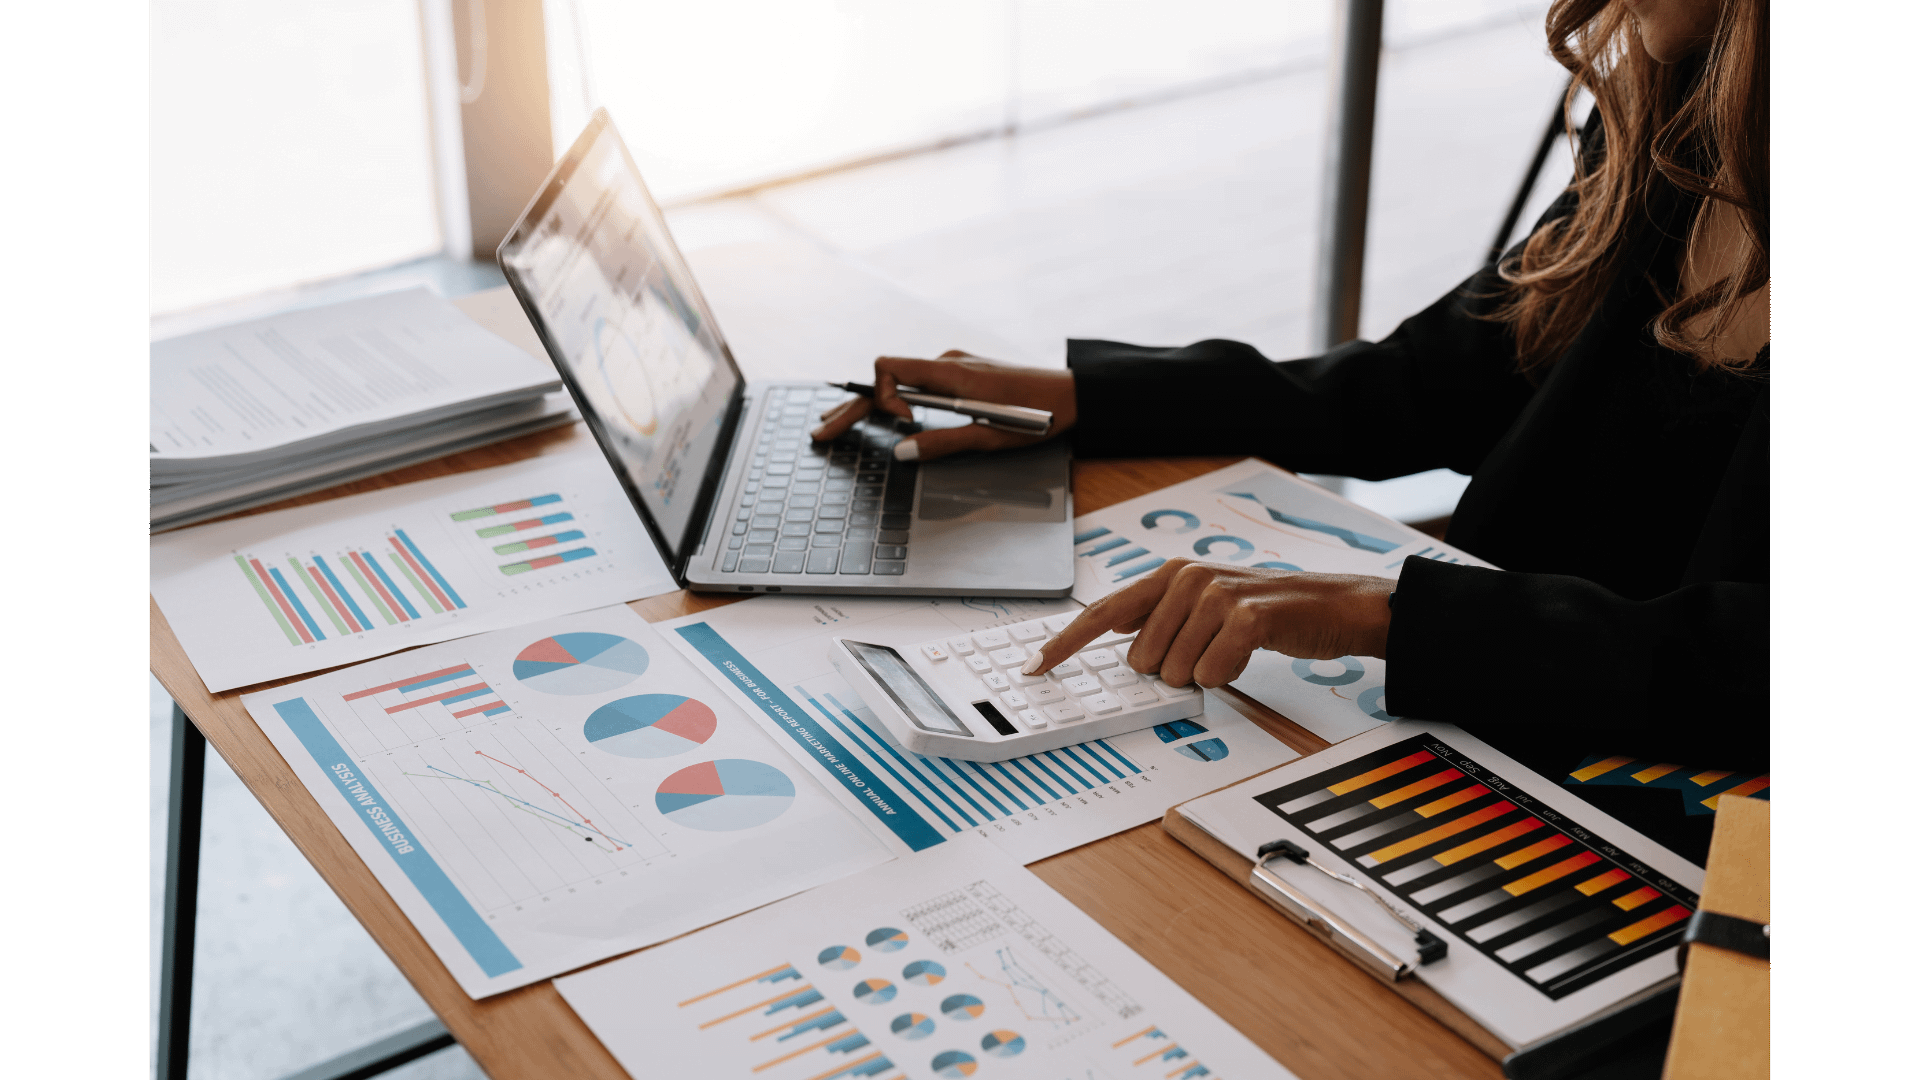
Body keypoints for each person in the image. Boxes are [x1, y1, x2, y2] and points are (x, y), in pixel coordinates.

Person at [811, 0, 1768, 847]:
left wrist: (1385, 613)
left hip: (1683, 836)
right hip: (1490, 750)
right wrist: (1089, 396)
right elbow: (1432, 383)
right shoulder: (1677, 114)